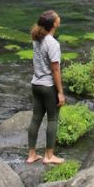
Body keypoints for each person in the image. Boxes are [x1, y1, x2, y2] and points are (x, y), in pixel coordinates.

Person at [26, 10, 66, 164]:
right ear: (54, 24)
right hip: (48, 86)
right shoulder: (53, 43)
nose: (59, 17)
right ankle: (49, 156)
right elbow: (55, 69)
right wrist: (60, 92)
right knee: (53, 119)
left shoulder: (37, 39)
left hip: (36, 84)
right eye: (57, 16)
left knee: (36, 118)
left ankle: (31, 155)